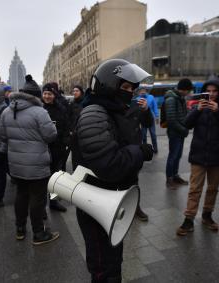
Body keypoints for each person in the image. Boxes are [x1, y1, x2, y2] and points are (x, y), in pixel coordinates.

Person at [71, 59, 153, 282]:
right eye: (125, 88)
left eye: (132, 88)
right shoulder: (94, 114)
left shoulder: (116, 110)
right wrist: (140, 152)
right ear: (109, 86)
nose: (131, 93)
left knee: (113, 261)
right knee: (102, 267)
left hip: (113, 199)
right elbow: (109, 164)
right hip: (95, 203)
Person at [0, 81, 60, 245]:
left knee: (21, 194)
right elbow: (50, 136)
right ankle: (39, 233)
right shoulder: (40, 112)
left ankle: (20, 229)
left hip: (16, 163)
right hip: (37, 163)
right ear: (36, 96)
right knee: (37, 198)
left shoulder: (6, 111)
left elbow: (3, 136)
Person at [176, 78, 219, 236]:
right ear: (204, 92)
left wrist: (218, 111)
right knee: (194, 189)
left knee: (213, 189)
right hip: (198, 155)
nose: (212, 94)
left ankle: (207, 215)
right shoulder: (198, 107)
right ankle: (188, 220)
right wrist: (197, 110)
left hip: (218, 155)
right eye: (208, 91)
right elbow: (186, 124)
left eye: (215, 91)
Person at [42, 83, 70, 213]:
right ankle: (41, 207)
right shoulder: (39, 109)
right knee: (41, 179)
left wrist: (65, 143)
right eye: (45, 93)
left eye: (50, 94)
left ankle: (53, 202)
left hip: (57, 148)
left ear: (54, 95)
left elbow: (65, 127)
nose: (47, 96)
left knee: (55, 178)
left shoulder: (61, 109)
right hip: (42, 149)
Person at [164, 78, 193, 188]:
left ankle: (175, 175)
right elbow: (171, 120)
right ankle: (169, 179)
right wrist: (184, 129)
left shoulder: (180, 98)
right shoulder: (171, 99)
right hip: (175, 133)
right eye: (189, 90)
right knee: (173, 156)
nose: (189, 93)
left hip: (180, 132)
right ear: (184, 89)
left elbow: (183, 115)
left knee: (178, 155)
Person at [136, 86, 159, 153]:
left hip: (151, 118)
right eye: (141, 91)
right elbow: (137, 110)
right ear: (139, 92)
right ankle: (145, 150)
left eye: (144, 90)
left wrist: (157, 116)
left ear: (146, 91)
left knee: (153, 135)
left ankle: (155, 148)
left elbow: (155, 107)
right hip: (142, 119)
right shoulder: (138, 99)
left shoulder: (151, 97)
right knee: (144, 136)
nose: (142, 92)